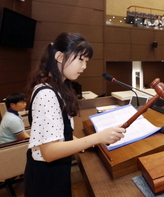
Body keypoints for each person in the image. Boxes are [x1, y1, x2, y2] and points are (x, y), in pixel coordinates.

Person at [24, 32, 126, 197]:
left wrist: (81, 143)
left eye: (87, 61)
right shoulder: (46, 93)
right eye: (80, 59)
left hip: (55, 173)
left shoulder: (58, 88)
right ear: (59, 56)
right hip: (47, 179)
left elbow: (60, 133)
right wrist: (97, 138)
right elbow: (49, 152)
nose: (84, 66)